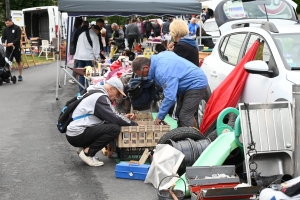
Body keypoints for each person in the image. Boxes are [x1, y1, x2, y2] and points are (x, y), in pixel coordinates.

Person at [66, 77, 138, 166]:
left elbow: (110, 116)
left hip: (74, 132)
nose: (117, 97)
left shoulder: (95, 91)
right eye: (118, 93)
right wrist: (135, 125)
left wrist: (123, 117)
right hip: (77, 134)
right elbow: (114, 117)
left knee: (110, 125)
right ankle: (88, 153)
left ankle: (83, 148)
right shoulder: (100, 97)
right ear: (112, 89)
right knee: (114, 129)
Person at [132, 52, 208, 127]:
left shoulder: (162, 72)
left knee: (185, 116)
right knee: (180, 114)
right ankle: (184, 135)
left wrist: (160, 116)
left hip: (196, 83)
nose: (144, 77)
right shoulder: (160, 57)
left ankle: (192, 138)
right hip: (189, 82)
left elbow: (170, 97)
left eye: (142, 75)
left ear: (146, 68)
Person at [74, 25, 101, 92]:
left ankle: (81, 90)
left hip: (80, 56)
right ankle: (88, 90)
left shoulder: (82, 34)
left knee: (81, 74)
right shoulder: (94, 36)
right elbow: (96, 48)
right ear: (96, 30)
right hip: (89, 57)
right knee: (89, 75)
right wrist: (97, 58)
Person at [69, 18, 84, 83]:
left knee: (77, 63)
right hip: (78, 49)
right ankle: (74, 78)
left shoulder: (75, 30)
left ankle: (74, 77)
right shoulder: (78, 30)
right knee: (77, 64)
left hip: (76, 49)